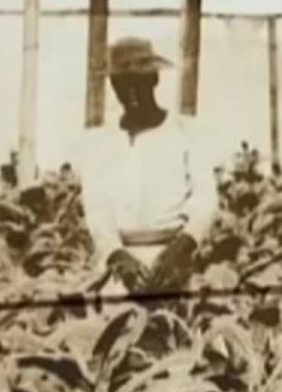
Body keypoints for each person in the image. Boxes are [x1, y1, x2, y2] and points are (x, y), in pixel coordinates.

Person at [78, 37, 217, 292]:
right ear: (112, 85)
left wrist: (182, 246)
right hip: (119, 269)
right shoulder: (99, 142)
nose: (129, 92)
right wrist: (116, 255)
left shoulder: (186, 131)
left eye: (138, 81)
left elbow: (205, 198)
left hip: (174, 263)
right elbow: (97, 209)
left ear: (154, 79)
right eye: (121, 83)